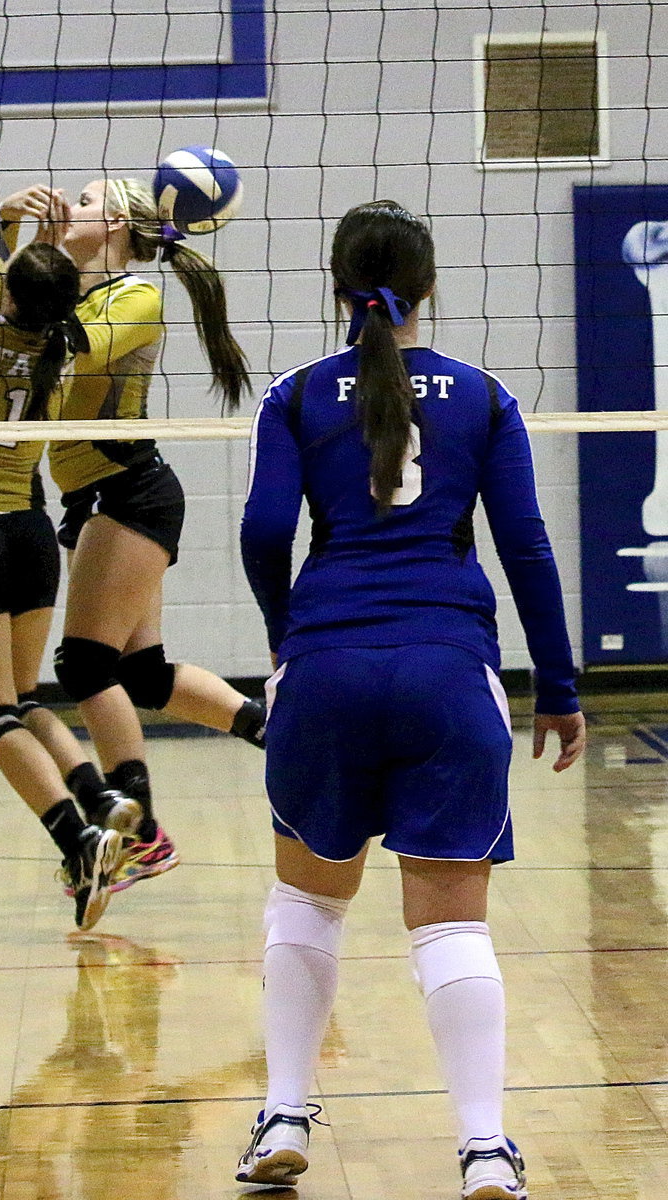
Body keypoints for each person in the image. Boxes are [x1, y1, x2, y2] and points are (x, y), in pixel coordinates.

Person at [235, 200, 586, 1198]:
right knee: (448, 927)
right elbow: (524, 545)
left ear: (333, 285)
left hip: (326, 667)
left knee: (305, 899)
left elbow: (264, 532)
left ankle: (282, 1117)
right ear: (426, 289)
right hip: (446, 669)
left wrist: (284, 632)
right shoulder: (481, 397)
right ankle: (482, 1148)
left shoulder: (296, 396)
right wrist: (556, 687)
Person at [0, 173, 265, 893]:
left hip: (129, 493)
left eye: (85, 202)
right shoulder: (84, 290)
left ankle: (140, 835)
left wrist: (43, 254)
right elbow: (12, 336)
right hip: (100, 496)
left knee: (85, 667)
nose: (71, 206)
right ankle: (276, 729)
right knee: (143, 675)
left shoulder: (135, 297)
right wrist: (28, 242)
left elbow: (60, 353)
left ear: (116, 221)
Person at [0, 150, 133, 931]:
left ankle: (77, 839)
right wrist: (22, 229)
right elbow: (24, 275)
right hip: (30, 532)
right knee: (28, 695)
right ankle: (101, 794)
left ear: (5, 291)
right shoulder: (68, 348)